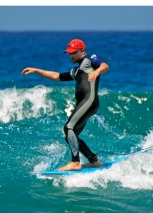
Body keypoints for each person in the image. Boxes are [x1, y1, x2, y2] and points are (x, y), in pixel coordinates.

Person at [21, 39, 109, 171]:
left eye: (74, 52)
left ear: (82, 51)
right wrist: (36, 70)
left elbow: (104, 66)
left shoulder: (90, 59)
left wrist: (97, 72)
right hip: (85, 103)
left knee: (69, 127)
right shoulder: (76, 71)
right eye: (69, 53)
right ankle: (93, 160)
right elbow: (56, 76)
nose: (71, 55)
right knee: (70, 136)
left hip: (89, 101)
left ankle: (75, 162)